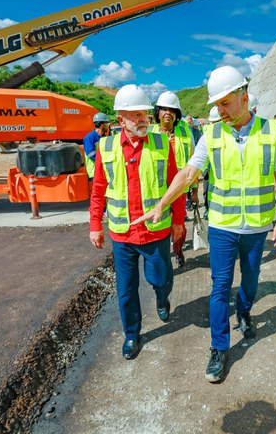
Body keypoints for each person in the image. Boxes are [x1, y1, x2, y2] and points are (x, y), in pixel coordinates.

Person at [132, 65, 276, 383]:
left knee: (250, 282)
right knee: (220, 287)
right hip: (222, 225)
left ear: (244, 97)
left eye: (225, 103)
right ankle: (219, 347)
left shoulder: (271, 131)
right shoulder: (212, 134)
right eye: (217, 105)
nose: (221, 110)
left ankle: (243, 311)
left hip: (257, 225)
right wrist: (162, 204)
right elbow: (188, 174)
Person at [88, 84, 186, 360]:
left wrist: (178, 221)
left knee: (161, 278)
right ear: (121, 120)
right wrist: (95, 224)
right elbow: (99, 189)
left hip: (155, 231)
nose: (144, 119)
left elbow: (175, 186)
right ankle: (132, 334)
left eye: (144, 113)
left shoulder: (161, 144)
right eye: (136, 115)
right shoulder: (106, 147)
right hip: (122, 233)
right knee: (126, 289)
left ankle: (162, 297)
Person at [150, 91, 197, 268]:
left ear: (177, 114)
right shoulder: (150, 133)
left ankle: (178, 250)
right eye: (164, 109)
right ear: (158, 112)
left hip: (179, 188)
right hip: (158, 188)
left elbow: (193, 161)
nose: (168, 113)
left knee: (179, 225)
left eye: (172, 110)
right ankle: (161, 256)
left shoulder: (185, 131)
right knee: (159, 223)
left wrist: (194, 190)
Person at [201, 106, 222, 220]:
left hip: (221, 171)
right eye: (213, 122)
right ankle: (207, 209)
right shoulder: (208, 134)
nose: (215, 125)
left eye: (217, 122)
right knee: (206, 191)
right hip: (208, 169)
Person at [83, 112, 111, 178]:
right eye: (107, 123)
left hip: (104, 171)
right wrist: (106, 159)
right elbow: (91, 155)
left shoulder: (104, 137)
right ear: (101, 125)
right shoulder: (89, 138)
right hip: (94, 172)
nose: (108, 126)